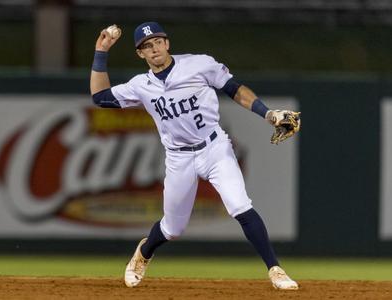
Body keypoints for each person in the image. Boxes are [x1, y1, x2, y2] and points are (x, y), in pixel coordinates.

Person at [90, 21, 299, 290]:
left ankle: (275, 269)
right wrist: (101, 52)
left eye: (157, 42)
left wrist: (267, 113)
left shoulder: (198, 64)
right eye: (146, 46)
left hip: (214, 148)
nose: (153, 49)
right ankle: (143, 254)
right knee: (172, 229)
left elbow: (234, 88)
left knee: (240, 205)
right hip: (179, 158)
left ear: (167, 43)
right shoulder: (140, 85)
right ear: (140, 54)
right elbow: (99, 97)